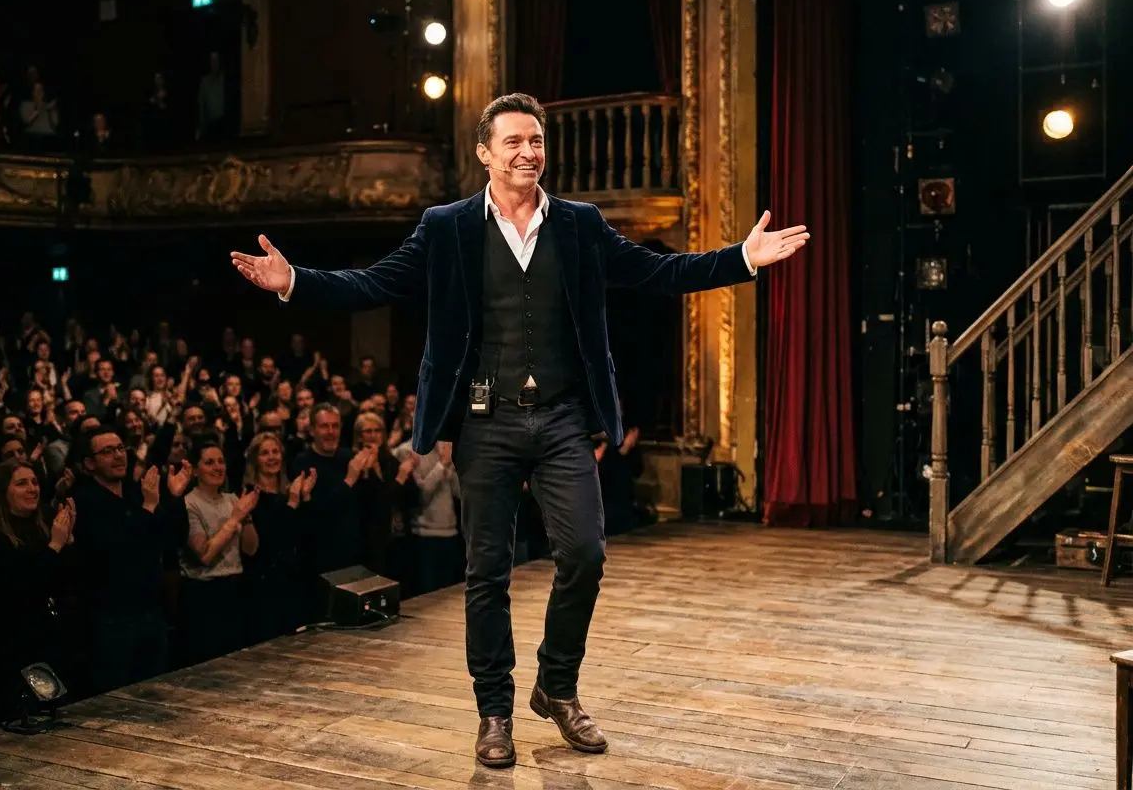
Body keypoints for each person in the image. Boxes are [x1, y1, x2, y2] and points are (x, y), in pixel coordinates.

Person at [231, 92, 809, 768]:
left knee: (586, 553)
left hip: (563, 415)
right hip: (486, 421)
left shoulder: (580, 224)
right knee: (487, 573)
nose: (529, 151)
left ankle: (556, 686)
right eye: (514, 141)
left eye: (536, 140)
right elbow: (373, 285)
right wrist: (292, 280)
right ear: (484, 153)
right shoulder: (445, 227)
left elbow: (658, 273)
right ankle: (494, 712)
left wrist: (740, 258)